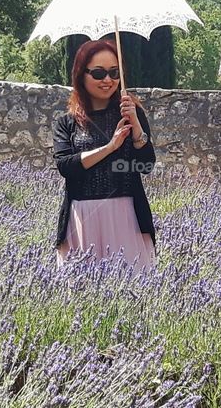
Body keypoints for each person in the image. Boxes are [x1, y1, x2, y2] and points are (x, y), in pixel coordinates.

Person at [52, 38, 157, 273]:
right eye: (98, 73)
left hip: (126, 215)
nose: (108, 80)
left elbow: (146, 165)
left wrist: (137, 127)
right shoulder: (67, 122)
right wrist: (110, 147)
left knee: (134, 289)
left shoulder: (132, 113)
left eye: (114, 72)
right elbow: (66, 167)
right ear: (81, 74)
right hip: (83, 217)